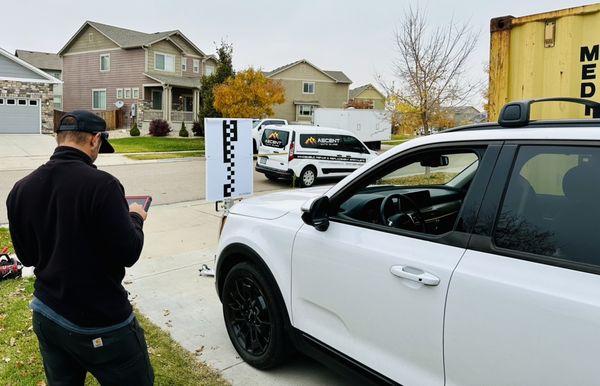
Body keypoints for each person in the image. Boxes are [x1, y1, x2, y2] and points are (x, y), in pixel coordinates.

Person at [6, 111, 154, 385]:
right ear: (95, 140)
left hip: (48, 313)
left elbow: (27, 258)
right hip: (103, 322)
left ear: (59, 139)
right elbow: (129, 252)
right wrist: (135, 217)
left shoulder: (20, 189)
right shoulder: (104, 186)